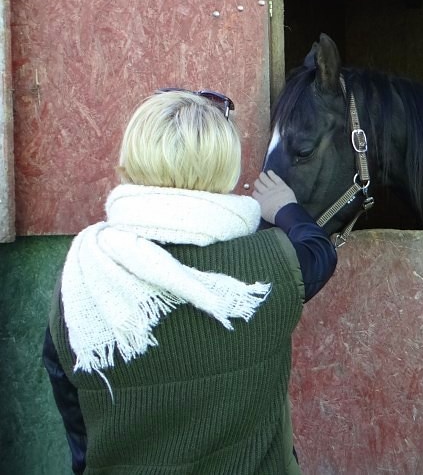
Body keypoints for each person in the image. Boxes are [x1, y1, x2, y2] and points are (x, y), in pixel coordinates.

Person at [42, 89, 337, 474]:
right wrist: (285, 208)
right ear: (226, 169)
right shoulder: (275, 264)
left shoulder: (82, 277)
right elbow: (320, 252)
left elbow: (73, 413)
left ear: (131, 161)